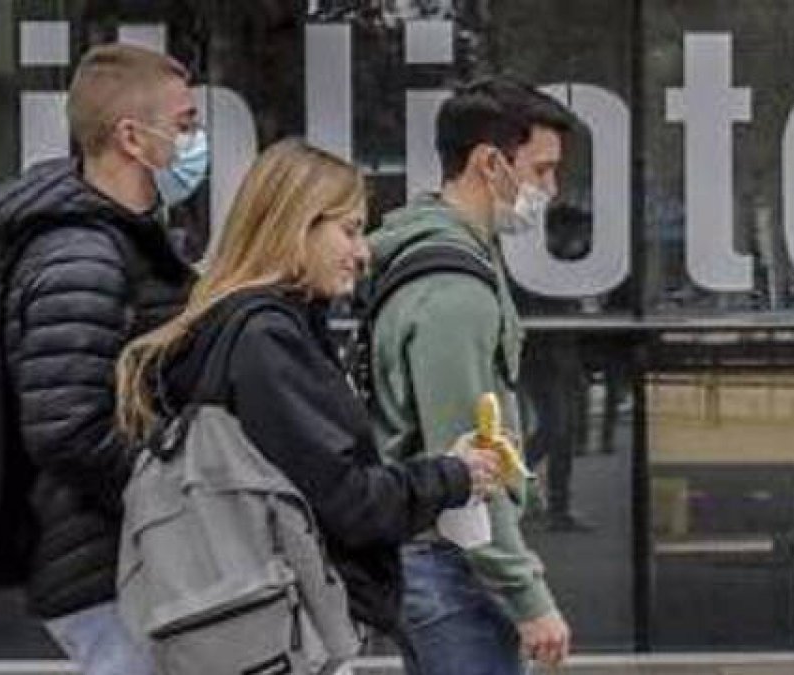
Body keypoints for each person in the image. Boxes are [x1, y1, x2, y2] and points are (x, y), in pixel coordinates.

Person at [113, 138, 503, 663]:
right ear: (297, 225)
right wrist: (453, 477)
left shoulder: (233, 326)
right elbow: (347, 500)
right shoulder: (266, 341)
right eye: (350, 230)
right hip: (287, 627)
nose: (362, 254)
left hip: (249, 618)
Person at [0, 44, 201, 674]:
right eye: (185, 124)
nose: (195, 141)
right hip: (105, 569)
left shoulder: (120, 242)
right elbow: (67, 430)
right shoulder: (81, 256)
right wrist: (177, 486)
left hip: (124, 557)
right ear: (132, 138)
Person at [368, 76, 575, 673]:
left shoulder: (439, 251)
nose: (550, 189)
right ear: (489, 162)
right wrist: (528, 597)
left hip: (439, 558)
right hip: (449, 563)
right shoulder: (454, 291)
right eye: (541, 170)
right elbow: (468, 464)